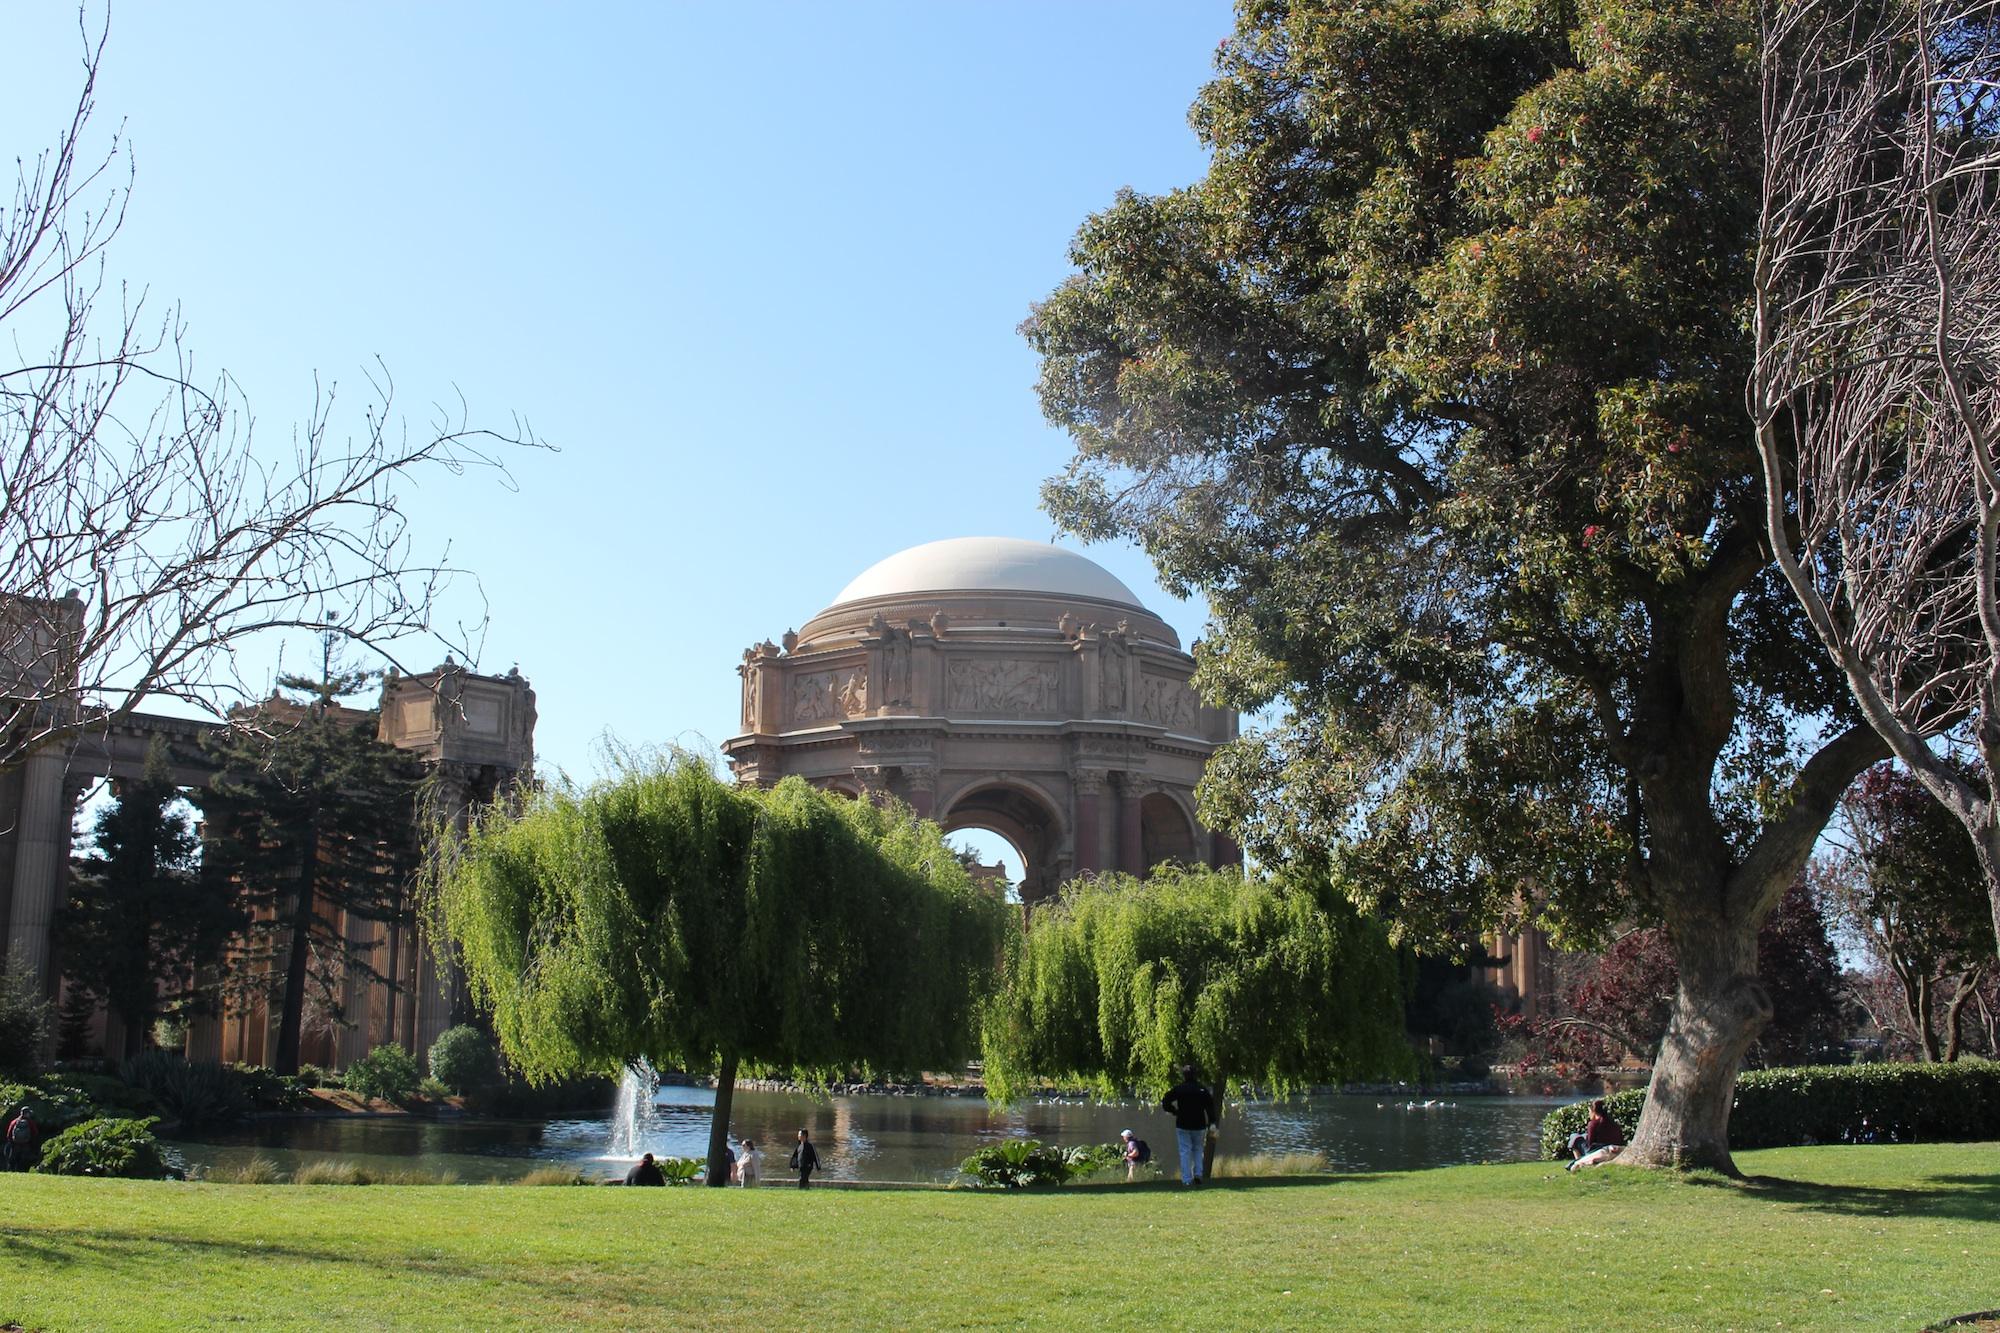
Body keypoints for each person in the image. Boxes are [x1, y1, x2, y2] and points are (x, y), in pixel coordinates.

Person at [1161, 1065, 1216, 1187]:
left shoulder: (1180, 1089)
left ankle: (1186, 1179)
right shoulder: (1201, 1090)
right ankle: (1198, 1174)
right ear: (1195, 1075)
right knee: (1198, 1149)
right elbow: (1210, 1107)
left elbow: (1165, 1100)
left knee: (1185, 1151)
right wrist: (1212, 1122)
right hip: (1199, 1124)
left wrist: (1174, 1111)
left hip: (1183, 1123)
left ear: (1184, 1076)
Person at [4, 1107, 35, 1172]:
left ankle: (11, 1170)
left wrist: (11, 1141)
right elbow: (35, 1132)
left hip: (15, 1144)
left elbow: (9, 1133)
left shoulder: (14, 1121)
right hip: (25, 1144)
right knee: (23, 1159)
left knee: (12, 1158)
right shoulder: (30, 1122)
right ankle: (21, 1170)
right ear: (27, 1114)